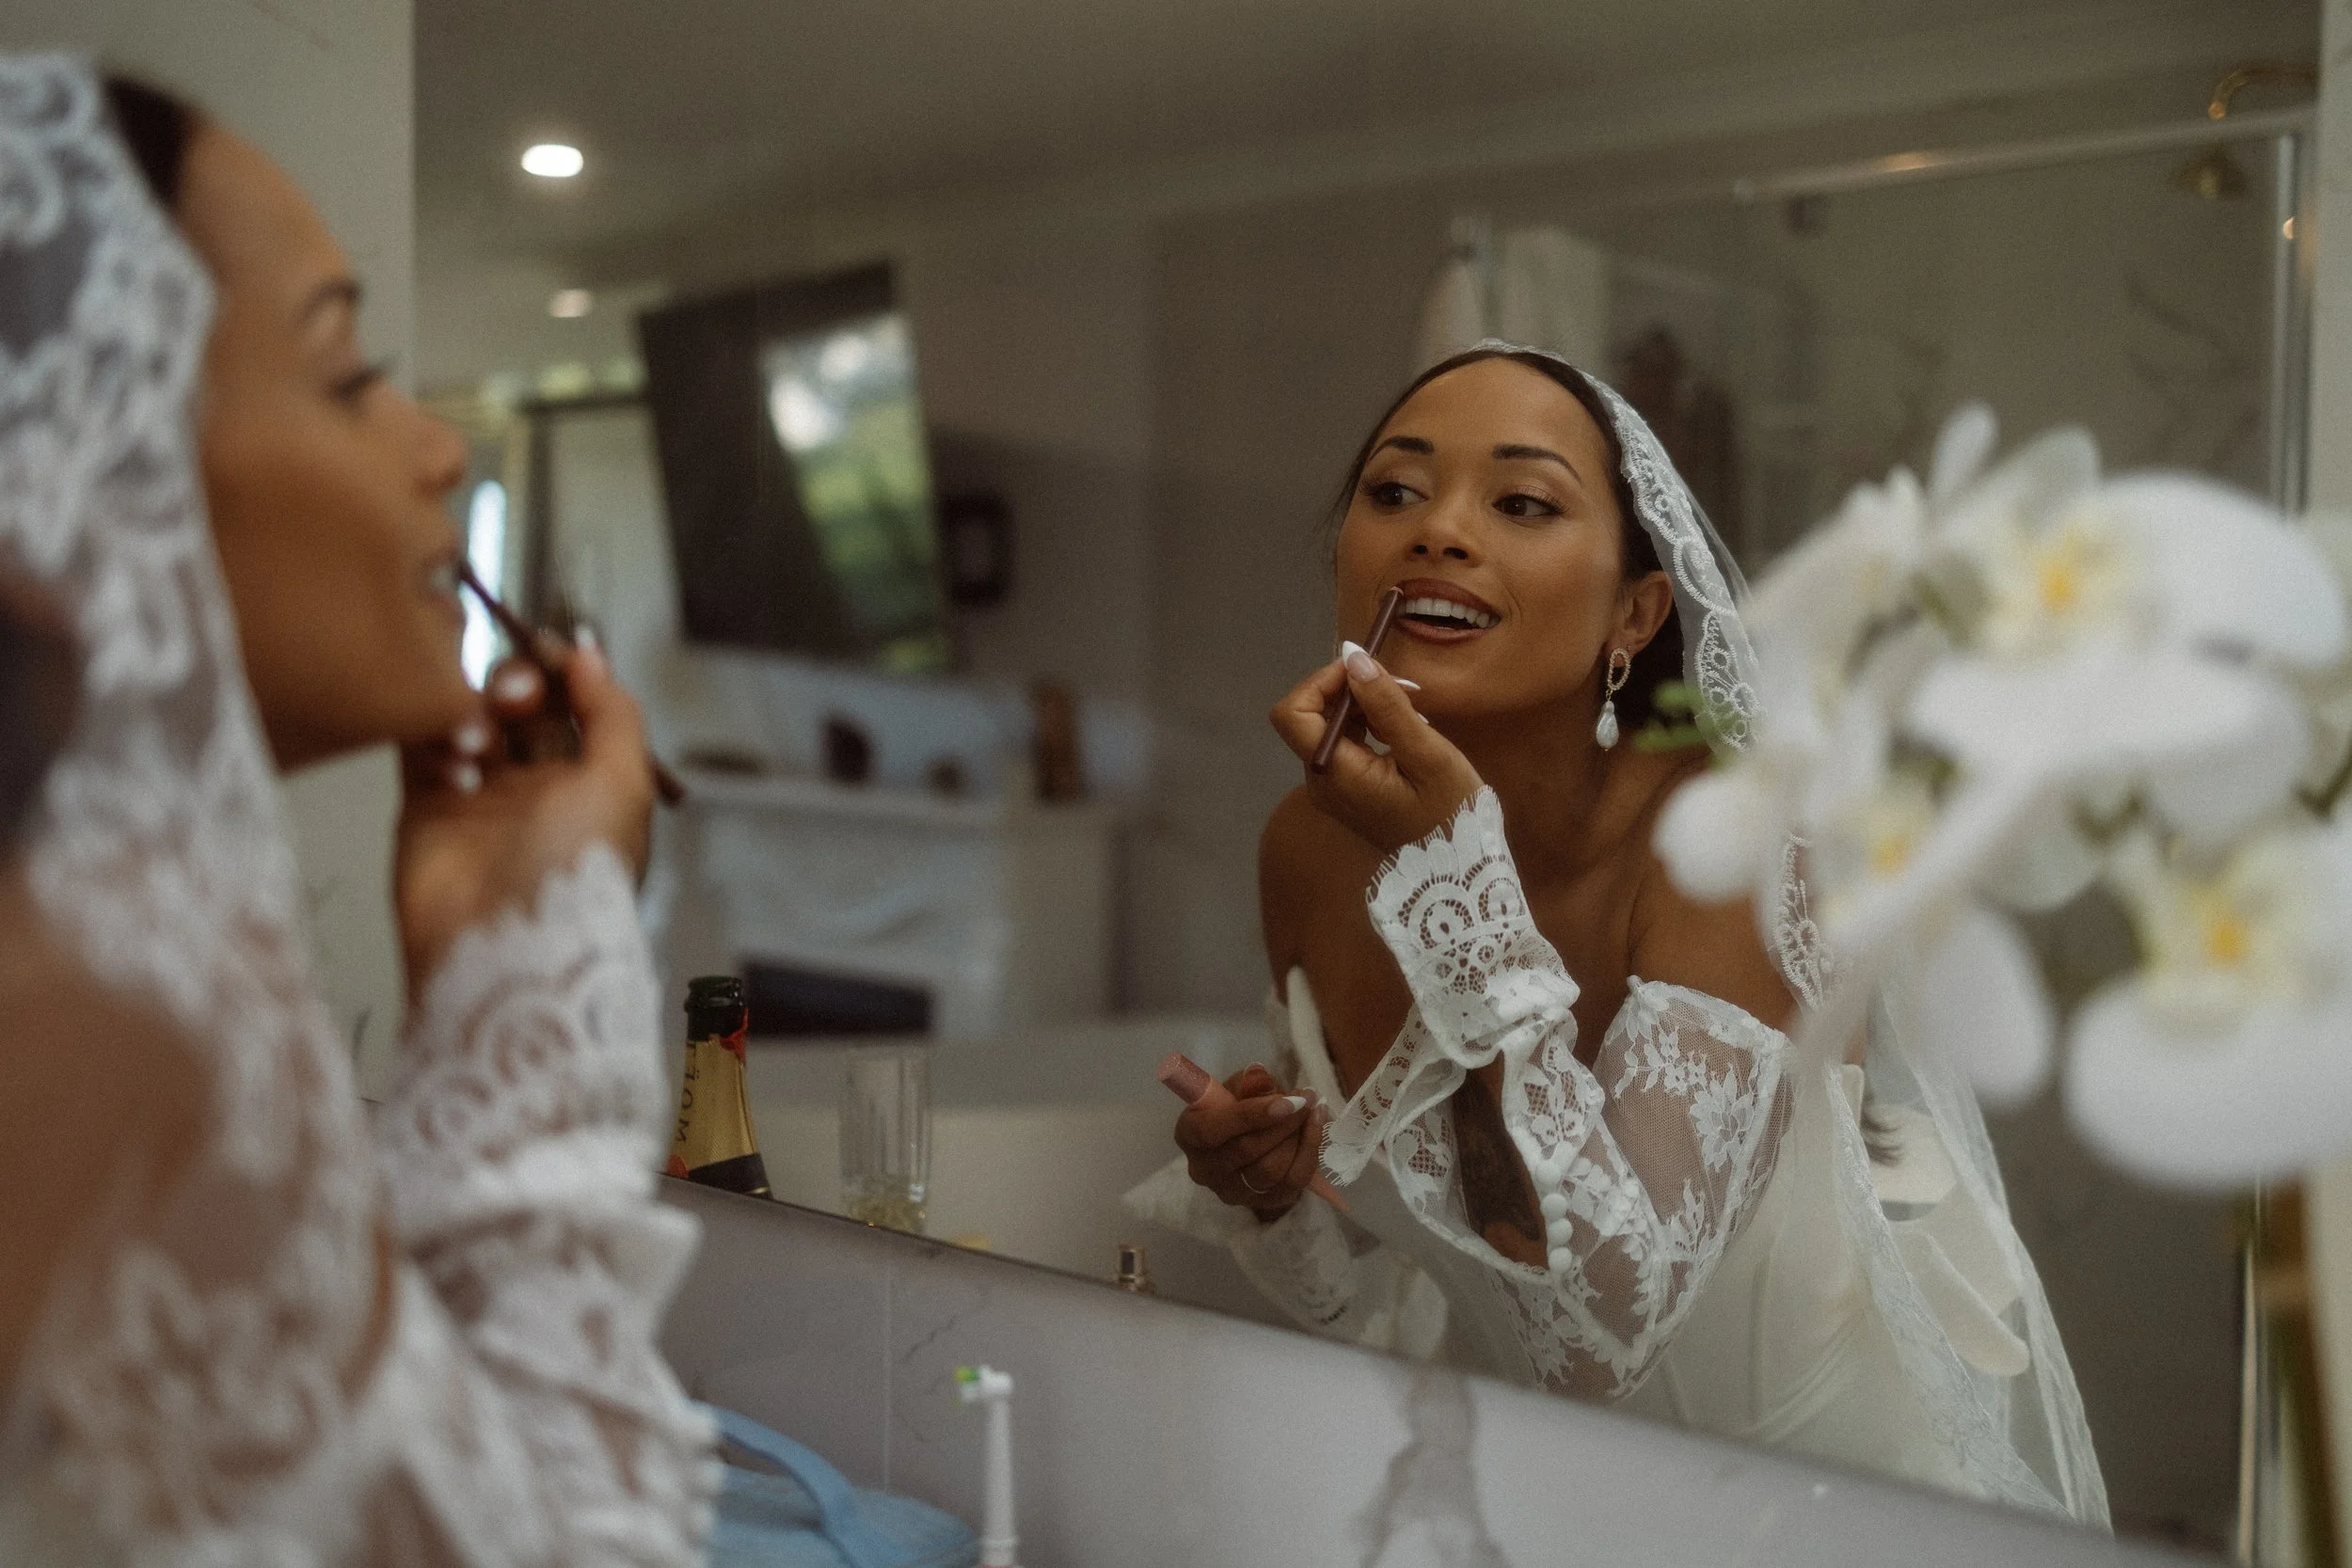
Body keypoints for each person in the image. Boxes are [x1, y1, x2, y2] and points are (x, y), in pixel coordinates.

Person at [1127, 345, 2108, 1525]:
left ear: (1636, 611)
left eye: (1522, 501)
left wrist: (1454, 875)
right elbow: (1412, 1296)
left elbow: (1599, 1334)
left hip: (1806, 1516)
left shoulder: (1726, 839)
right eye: (1394, 491)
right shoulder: (1308, 841)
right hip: (1534, 1506)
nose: (1437, 530)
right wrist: (1269, 1187)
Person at [0, 57, 712, 1564]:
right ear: (75, 488)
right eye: (342, 373)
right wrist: (540, 979)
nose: (437, 443)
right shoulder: (116, 1035)